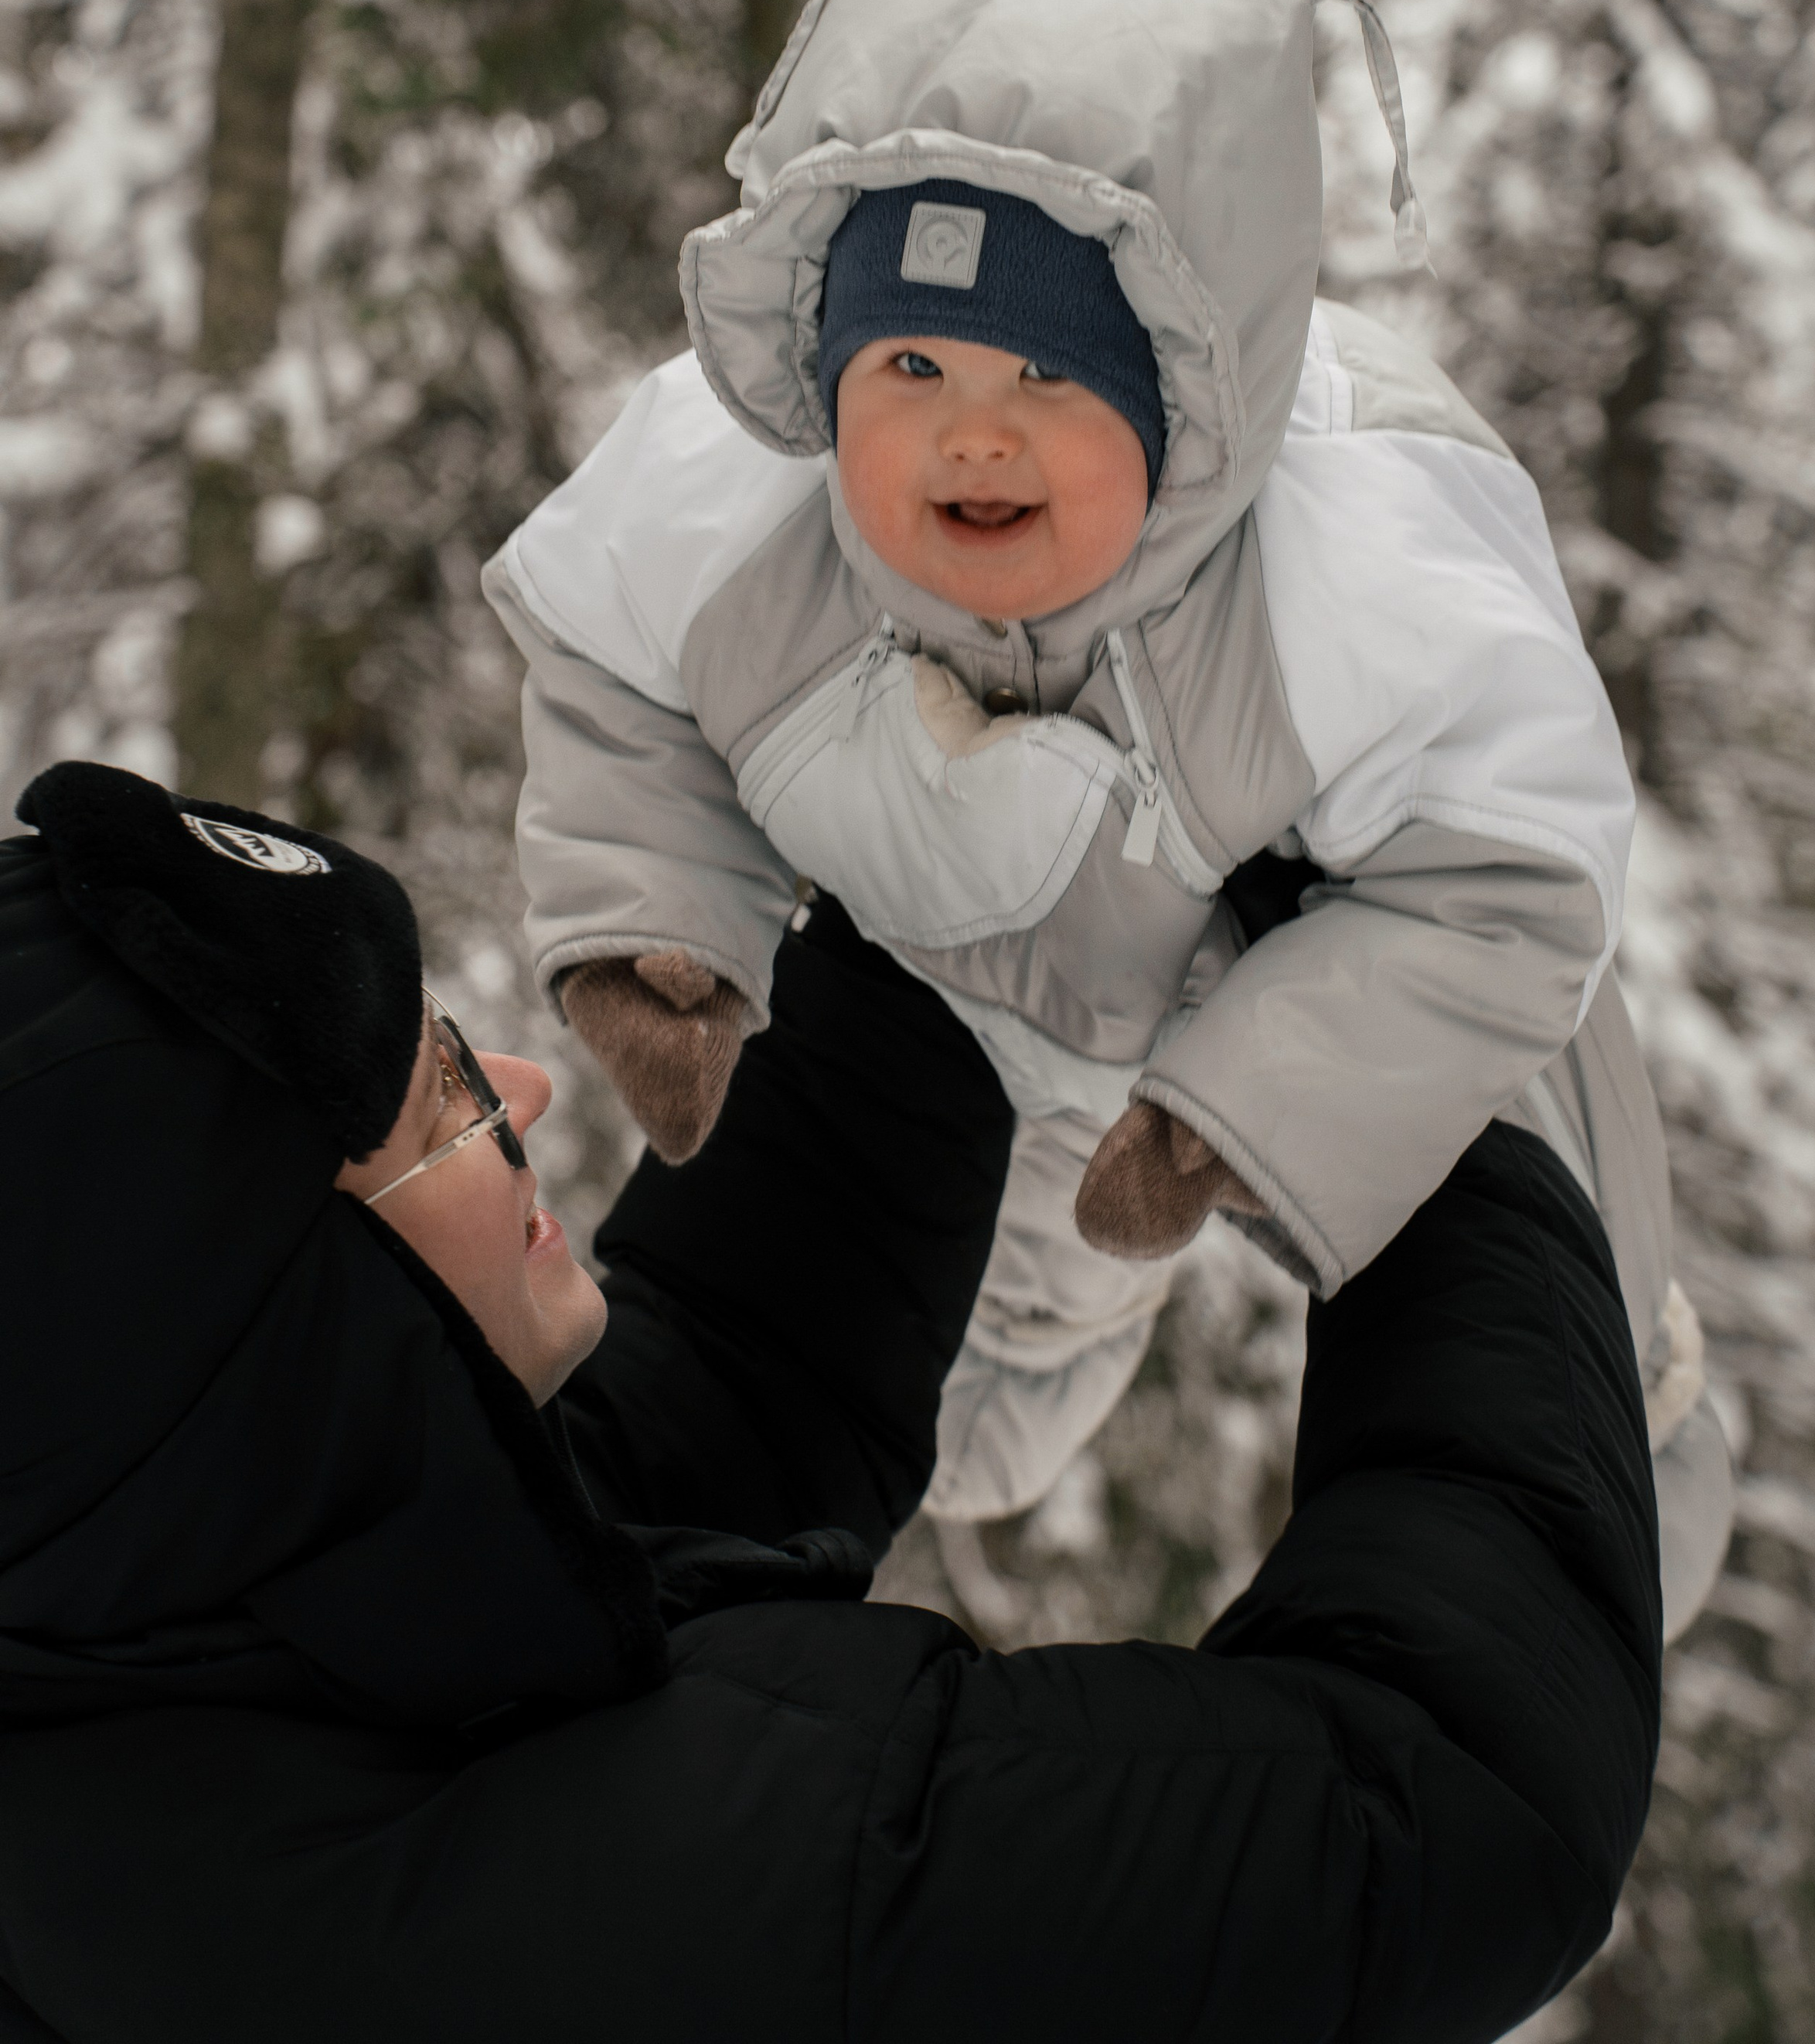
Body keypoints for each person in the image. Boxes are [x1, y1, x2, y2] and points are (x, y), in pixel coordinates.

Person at [0, 761, 1660, 2044]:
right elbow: (1449, 1805)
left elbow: (716, 1391)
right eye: (440, 1098)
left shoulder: (170, 1622)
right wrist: (1422, 1097)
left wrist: (931, 921)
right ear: (292, 1332)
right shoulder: (647, 1922)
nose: (518, 1086)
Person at [483, 0, 1730, 1616]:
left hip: (1165, 1029)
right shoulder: (733, 515)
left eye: (1048, 375)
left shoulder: (1329, 599)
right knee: (972, 1446)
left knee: (1491, 1302)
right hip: (935, 990)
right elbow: (606, 668)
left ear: (1176, 409)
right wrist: (657, 921)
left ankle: (1646, 1454)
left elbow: (1508, 883)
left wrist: (1246, 1103)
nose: (970, 433)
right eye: (909, 367)